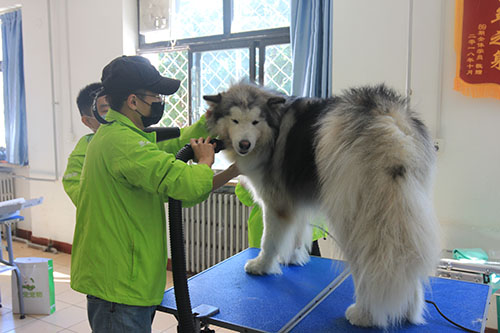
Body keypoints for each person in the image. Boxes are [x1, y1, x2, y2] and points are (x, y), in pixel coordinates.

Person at [70, 55, 239, 332]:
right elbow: (185, 183)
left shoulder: (124, 136)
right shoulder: (123, 143)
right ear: (133, 101)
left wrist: (205, 126)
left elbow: (166, 155)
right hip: (118, 287)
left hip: (129, 281)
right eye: (156, 95)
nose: (160, 100)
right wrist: (205, 162)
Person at [62, 82, 109, 206]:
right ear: (88, 121)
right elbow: (84, 200)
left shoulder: (139, 140)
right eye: (106, 111)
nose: (114, 116)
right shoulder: (80, 158)